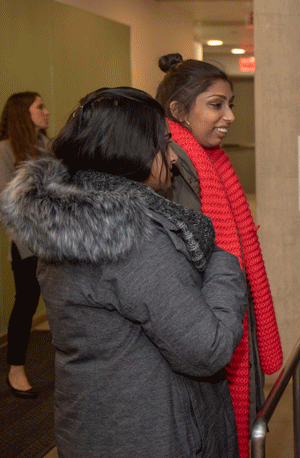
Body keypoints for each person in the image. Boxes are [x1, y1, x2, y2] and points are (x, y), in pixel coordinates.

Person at [0, 87, 246, 456]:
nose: (173, 158)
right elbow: (207, 349)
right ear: (132, 149)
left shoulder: (71, 221)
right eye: (163, 143)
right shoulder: (129, 239)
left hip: (97, 426)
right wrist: (224, 260)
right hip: (155, 433)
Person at [155, 53, 283, 458]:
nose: (229, 115)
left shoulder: (209, 156)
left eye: (231, 104)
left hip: (223, 313)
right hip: (208, 324)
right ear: (178, 111)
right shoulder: (176, 161)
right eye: (216, 104)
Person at [1, 91, 51, 398]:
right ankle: (15, 370)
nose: (46, 112)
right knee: (26, 306)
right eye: (39, 107)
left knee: (62, 306)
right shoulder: (5, 150)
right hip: (29, 246)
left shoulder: (45, 146)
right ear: (24, 113)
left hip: (57, 242)